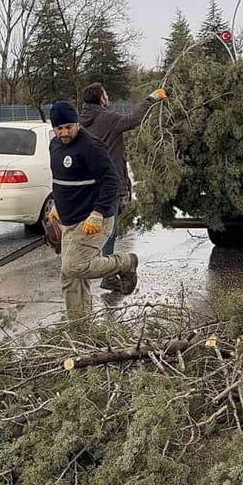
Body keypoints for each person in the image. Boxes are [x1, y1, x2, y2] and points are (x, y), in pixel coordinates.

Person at [48, 100, 139, 319]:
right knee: (70, 276)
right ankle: (80, 328)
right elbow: (61, 180)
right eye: (59, 128)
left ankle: (126, 263)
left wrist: (98, 213)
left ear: (77, 123)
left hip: (94, 219)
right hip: (70, 219)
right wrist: (56, 206)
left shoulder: (91, 146)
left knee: (75, 266)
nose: (64, 132)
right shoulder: (54, 145)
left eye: (68, 127)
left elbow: (111, 181)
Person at [78, 83, 169, 268]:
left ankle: (89, 264)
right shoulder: (107, 118)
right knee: (110, 229)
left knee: (93, 226)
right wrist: (152, 98)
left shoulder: (80, 122)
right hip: (109, 182)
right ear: (101, 98)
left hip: (88, 182)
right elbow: (135, 119)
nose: (108, 97)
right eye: (105, 94)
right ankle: (107, 270)